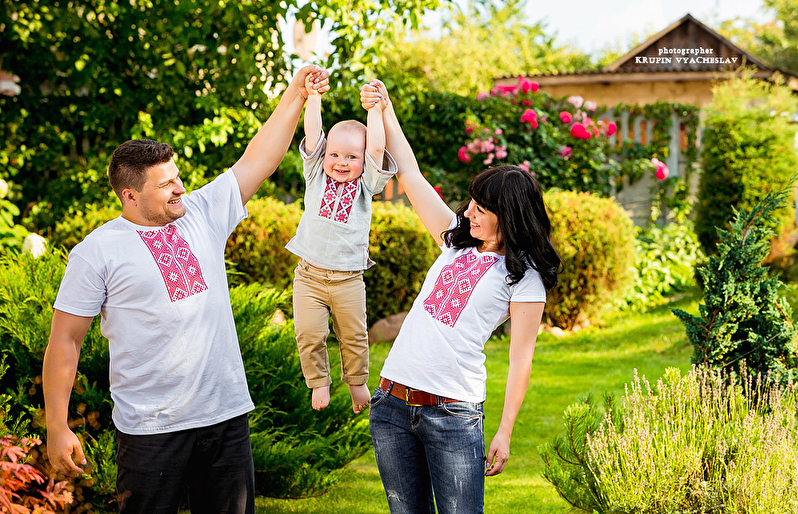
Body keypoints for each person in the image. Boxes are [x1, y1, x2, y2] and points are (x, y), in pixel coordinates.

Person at [41, 65, 330, 514]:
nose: (179, 189)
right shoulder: (97, 251)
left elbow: (259, 159)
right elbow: (65, 340)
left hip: (225, 418)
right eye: (165, 185)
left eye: (177, 177)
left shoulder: (201, 212)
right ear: (130, 196)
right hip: (151, 430)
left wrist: (295, 93)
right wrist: (57, 426)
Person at [360, 80, 563, 514]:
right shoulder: (455, 241)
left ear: (507, 217)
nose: (467, 212)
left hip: (452, 414)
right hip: (391, 404)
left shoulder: (524, 277)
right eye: (470, 203)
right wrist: (387, 108)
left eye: (479, 210)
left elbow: (521, 359)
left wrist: (505, 430)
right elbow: (410, 174)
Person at [285, 72, 397, 413]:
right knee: (308, 333)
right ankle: (319, 381)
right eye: (334, 154)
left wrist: (375, 110)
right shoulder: (315, 174)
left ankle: (357, 382)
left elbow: (376, 147)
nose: (341, 162)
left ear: (364, 162)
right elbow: (313, 133)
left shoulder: (366, 185)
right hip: (309, 276)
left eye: (352, 157)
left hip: (348, 279)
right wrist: (314, 97)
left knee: (354, 336)